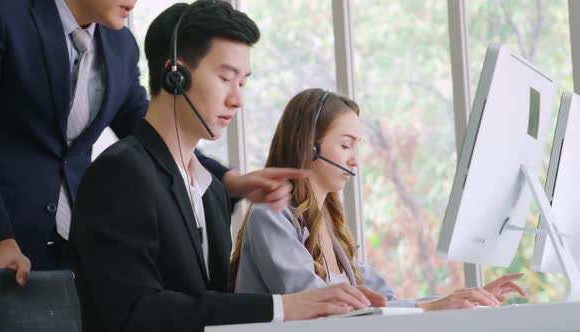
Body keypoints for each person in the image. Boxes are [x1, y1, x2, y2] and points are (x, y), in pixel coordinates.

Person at [70, 2, 387, 332]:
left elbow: (212, 309)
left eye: (243, 83)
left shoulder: (212, 191)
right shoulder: (120, 175)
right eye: (226, 78)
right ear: (175, 75)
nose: (238, 99)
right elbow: (134, 313)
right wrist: (284, 306)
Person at [0, 0, 303, 285]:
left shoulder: (120, 45)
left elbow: (148, 128)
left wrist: (231, 181)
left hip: (71, 246)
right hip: (6, 244)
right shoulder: (4, 14)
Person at [230, 88, 528, 310]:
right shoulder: (270, 217)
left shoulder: (332, 233)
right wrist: (432, 307)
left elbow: (388, 302)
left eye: (356, 147)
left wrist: (461, 299)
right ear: (310, 147)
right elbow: (322, 308)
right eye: (346, 145)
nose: (354, 161)